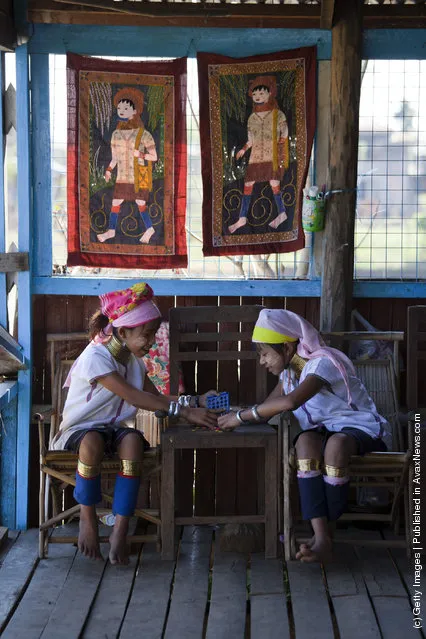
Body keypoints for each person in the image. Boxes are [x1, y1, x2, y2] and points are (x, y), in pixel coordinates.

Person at [52, 282, 218, 564]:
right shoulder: (96, 357)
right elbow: (135, 398)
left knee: (132, 442)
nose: (152, 342)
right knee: (92, 440)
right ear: (123, 332)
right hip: (79, 433)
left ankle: (120, 530)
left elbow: (155, 397)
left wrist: (195, 400)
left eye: (153, 334)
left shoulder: (133, 362)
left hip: (115, 433)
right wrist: (185, 412)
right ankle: (88, 519)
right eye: (147, 335)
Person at [218, 308, 388, 564]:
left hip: (360, 429)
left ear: (287, 348)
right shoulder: (289, 373)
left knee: (335, 445)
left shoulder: (322, 363)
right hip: (325, 434)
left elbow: (290, 402)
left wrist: (241, 417)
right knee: (306, 443)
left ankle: (325, 536)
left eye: (265, 354)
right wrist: (228, 416)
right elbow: (266, 409)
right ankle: (322, 538)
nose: (262, 361)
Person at [228, 75, 289, 234]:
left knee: (274, 184)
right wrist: (243, 149)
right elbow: (251, 139)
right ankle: (242, 217)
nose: (258, 97)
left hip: (271, 155)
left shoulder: (278, 114)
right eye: (255, 95)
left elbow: (285, 130)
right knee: (248, 184)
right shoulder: (252, 117)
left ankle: (282, 213)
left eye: (261, 94)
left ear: (270, 94)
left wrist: (281, 141)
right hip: (256, 156)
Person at [97, 87, 157, 245]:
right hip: (122, 175)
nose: (121, 111)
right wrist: (109, 170)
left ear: (135, 111)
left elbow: (154, 157)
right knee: (116, 202)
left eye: (125, 108)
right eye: (119, 108)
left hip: (139, 176)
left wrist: (142, 155)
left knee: (140, 203)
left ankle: (149, 228)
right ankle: (111, 231)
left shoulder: (144, 134)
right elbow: (115, 158)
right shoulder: (115, 135)